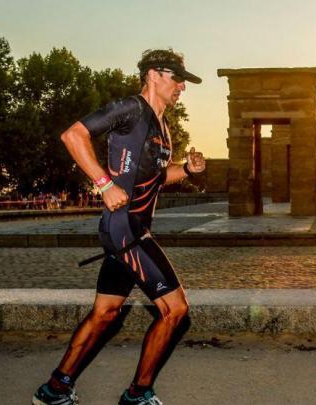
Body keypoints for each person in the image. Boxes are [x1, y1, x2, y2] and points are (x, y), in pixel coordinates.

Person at [32, 48, 204, 405]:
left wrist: (186, 170)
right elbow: (73, 136)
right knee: (176, 310)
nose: (181, 88)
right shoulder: (130, 108)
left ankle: (55, 390)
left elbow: (155, 179)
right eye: (177, 78)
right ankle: (138, 394)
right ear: (154, 75)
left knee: (105, 313)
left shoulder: (161, 127)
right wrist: (104, 184)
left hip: (126, 229)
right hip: (127, 230)